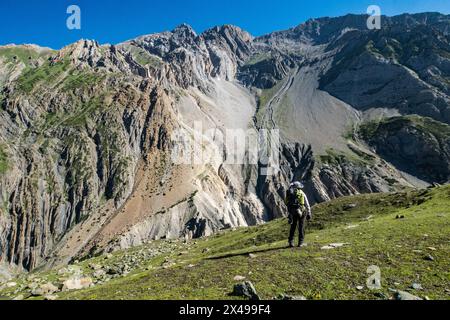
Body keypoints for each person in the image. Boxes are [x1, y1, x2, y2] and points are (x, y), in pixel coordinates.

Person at [284, 181, 312, 248]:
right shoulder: (301, 193)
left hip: (293, 212)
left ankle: (291, 242)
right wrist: (309, 213)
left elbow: (286, 202)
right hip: (302, 211)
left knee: (293, 226)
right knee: (301, 227)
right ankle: (300, 243)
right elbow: (307, 204)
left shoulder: (289, 193)